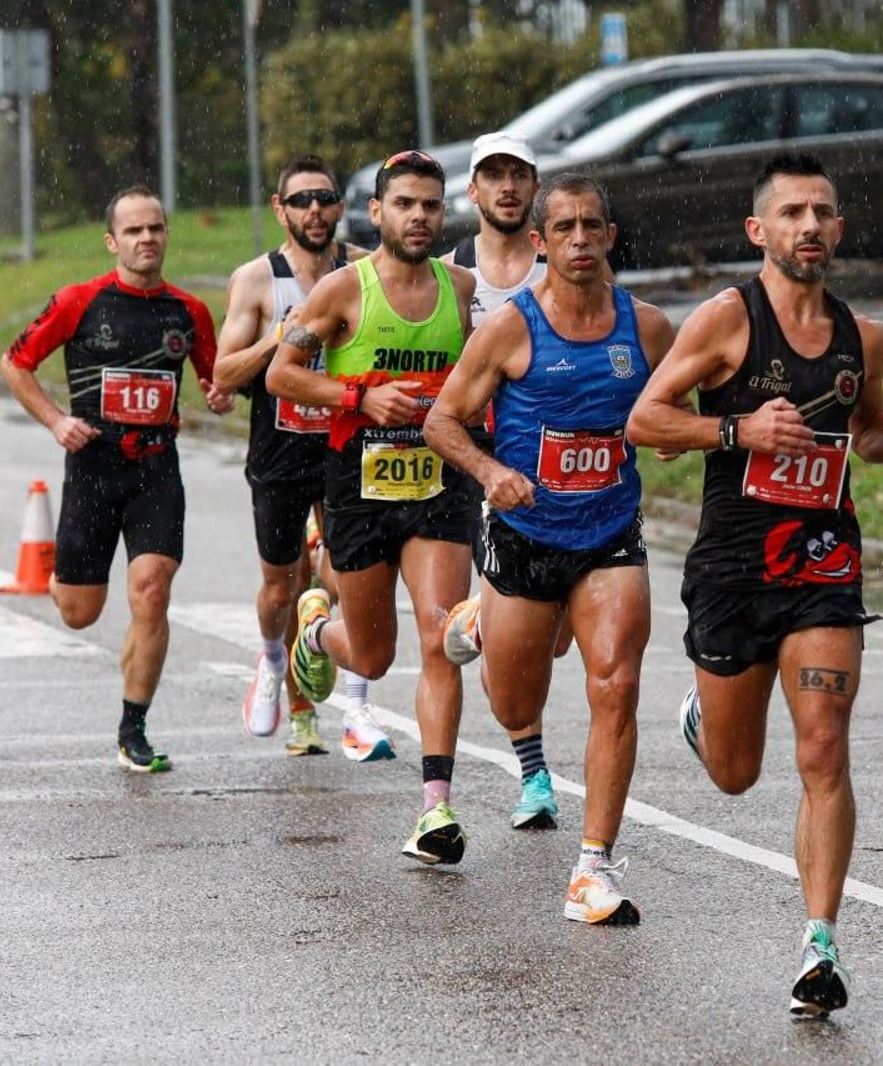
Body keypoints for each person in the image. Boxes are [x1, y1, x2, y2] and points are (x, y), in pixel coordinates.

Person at [625, 153, 883, 1014]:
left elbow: (866, 435)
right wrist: (740, 429)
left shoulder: (863, 338)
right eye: (792, 212)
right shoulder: (727, 320)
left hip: (823, 558)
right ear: (759, 231)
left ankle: (820, 945)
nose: (810, 226)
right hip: (731, 564)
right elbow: (644, 418)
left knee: (824, 745)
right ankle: (705, 713)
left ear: (838, 229)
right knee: (734, 773)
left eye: (824, 212)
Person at [426, 173, 676, 924]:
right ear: (539, 242)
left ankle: (592, 869)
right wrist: (492, 469)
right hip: (524, 536)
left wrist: (669, 436)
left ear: (609, 235)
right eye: (561, 228)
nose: (576, 240)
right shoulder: (510, 328)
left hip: (609, 533)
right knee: (514, 700)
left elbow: (677, 409)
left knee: (615, 684)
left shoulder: (650, 327)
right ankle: (478, 621)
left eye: (590, 226)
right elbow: (443, 421)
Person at [266, 150, 480, 865]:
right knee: (376, 656)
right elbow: (280, 373)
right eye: (406, 205)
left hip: (438, 488)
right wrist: (359, 396)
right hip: (357, 489)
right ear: (377, 213)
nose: (419, 217)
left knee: (442, 635)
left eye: (431, 205)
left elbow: (491, 377)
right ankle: (317, 629)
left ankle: (436, 809)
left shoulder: (464, 288)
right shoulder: (341, 290)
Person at [0, 184, 233, 772]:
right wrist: (56, 421)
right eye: (133, 230)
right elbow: (15, 362)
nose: (147, 238)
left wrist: (219, 393)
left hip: (156, 470)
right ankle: (63, 579)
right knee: (80, 613)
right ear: (113, 242)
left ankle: (134, 727)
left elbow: (214, 378)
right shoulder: (80, 302)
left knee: (152, 591)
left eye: (155, 228)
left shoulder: (189, 311)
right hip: (93, 472)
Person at [212, 154, 394, 762]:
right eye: (300, 201)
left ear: (341, 206)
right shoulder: (257, 279)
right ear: (280, 210)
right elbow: (224, 372)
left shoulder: (367, 270)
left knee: (352, 574)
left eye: (324, 198)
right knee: (279, 584)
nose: (314, 211)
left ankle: (356, 708)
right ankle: (274, 668)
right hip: (281, 449)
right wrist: (282, 337)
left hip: (348, 445)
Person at [437, 131, 562, 830]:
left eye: (518, 174)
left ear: (533, 186)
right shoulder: (451, 270)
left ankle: (479, 619)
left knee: (556, 635)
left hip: (555, 462)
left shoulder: (561, 262)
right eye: (494, 175)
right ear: (474, 191)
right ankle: (534, 772)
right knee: (522, 631)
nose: (507, 186)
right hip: (477, 458)